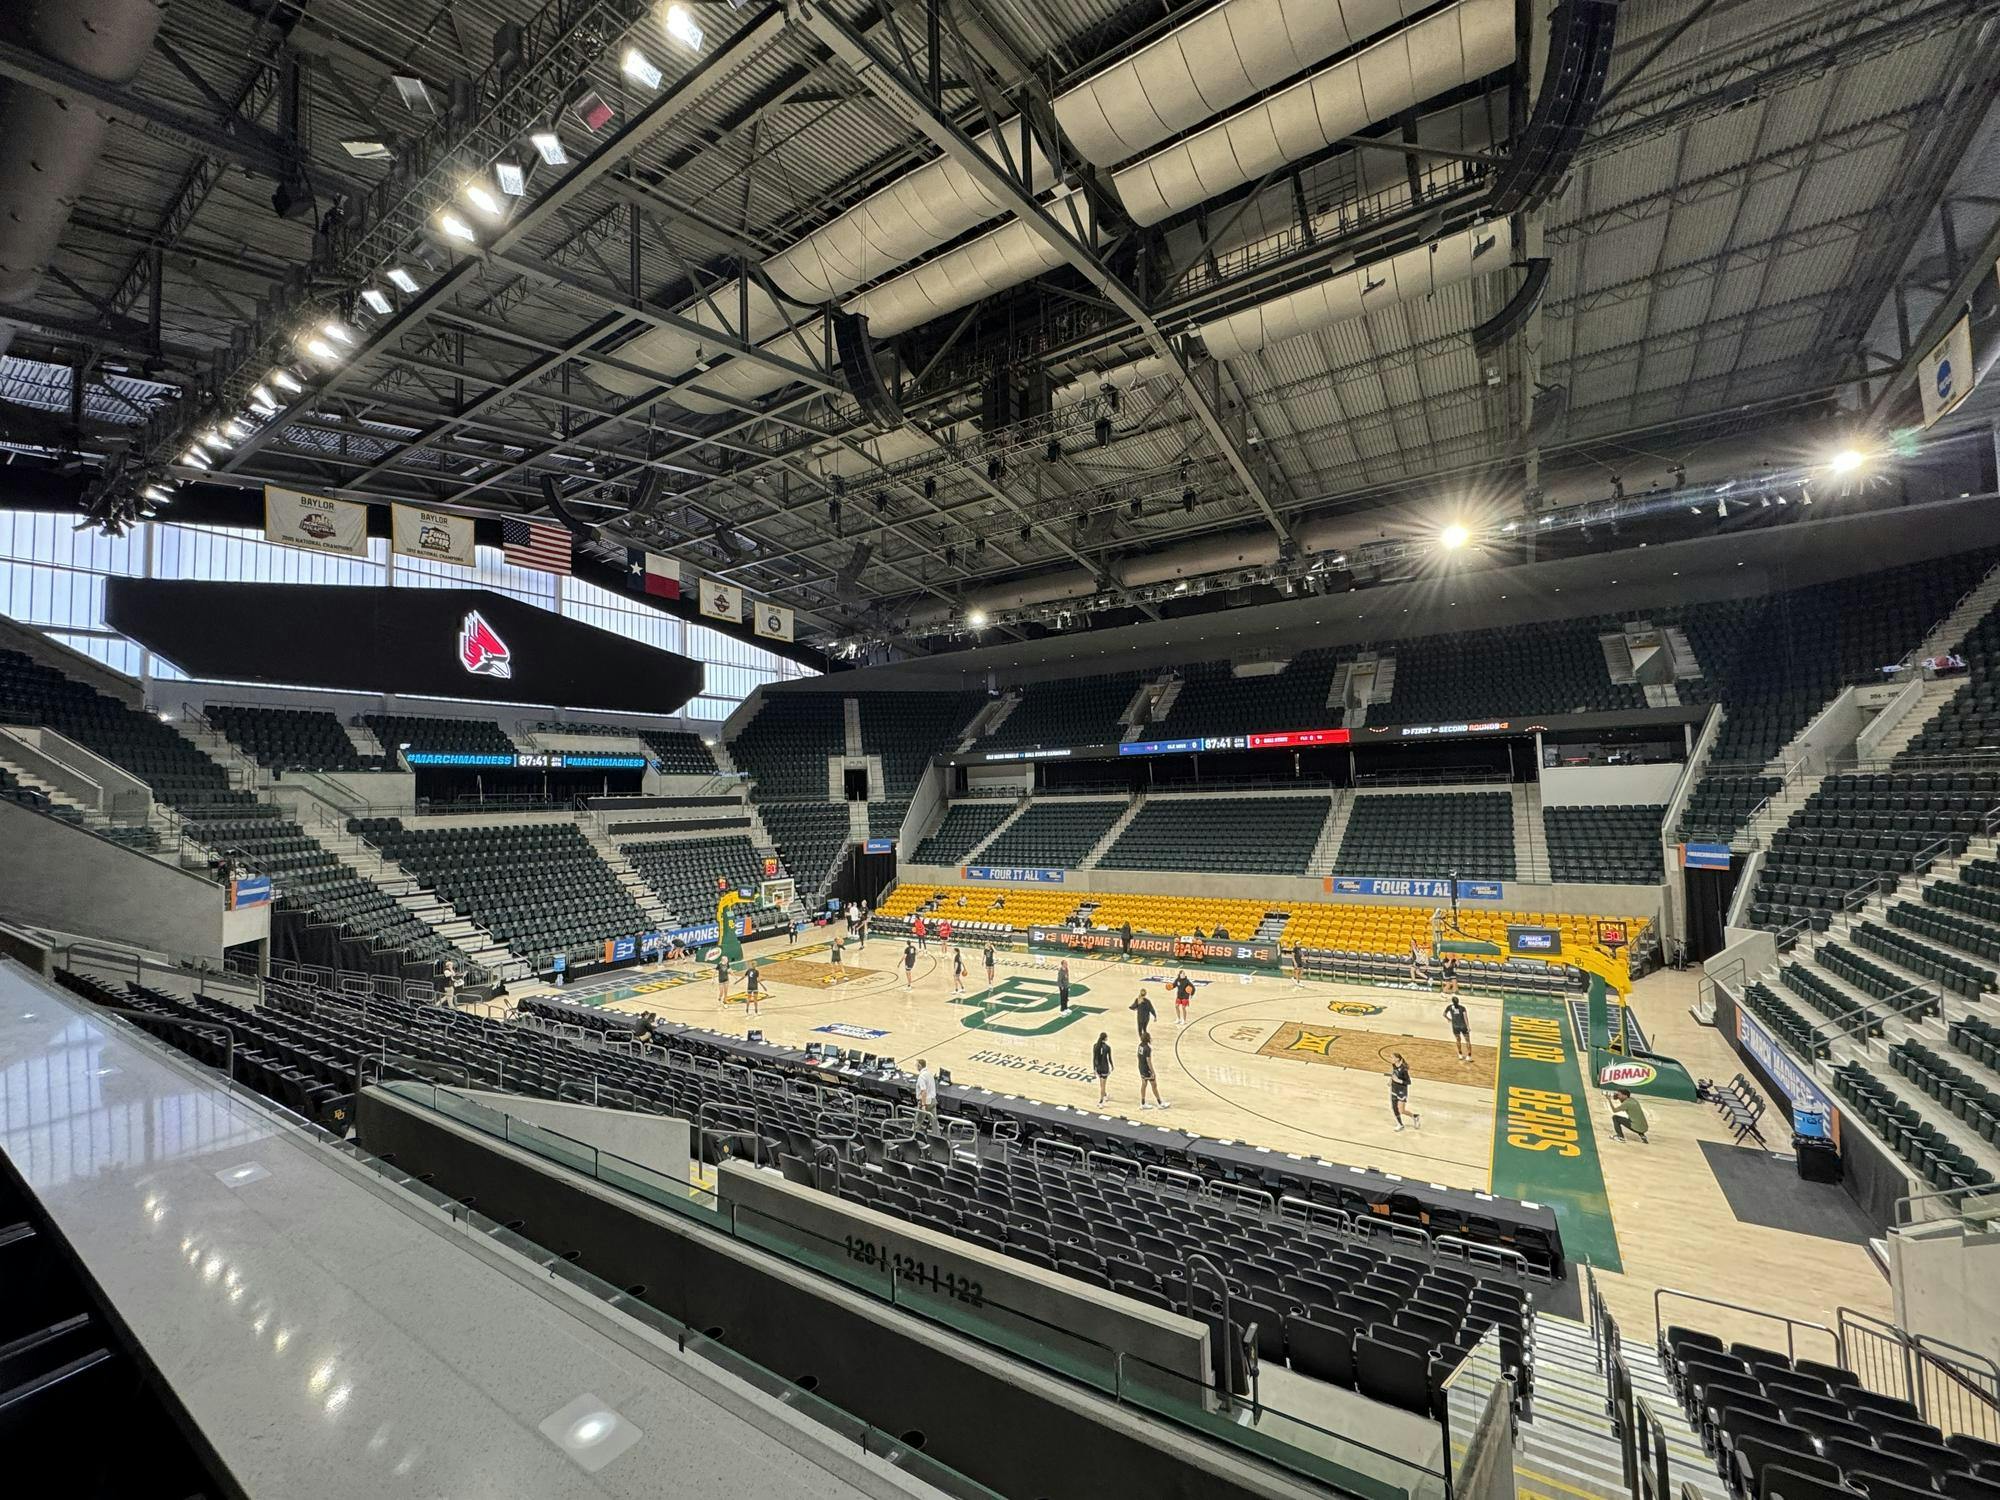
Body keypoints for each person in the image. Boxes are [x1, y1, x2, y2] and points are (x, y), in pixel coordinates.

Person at [1388, 1053, 1421, 1131]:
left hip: (1401, 1091)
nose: (1391, 1059)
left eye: (1392, 1058)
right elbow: (1394, 1073)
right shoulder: (1394, 1065)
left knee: (1401, 1110)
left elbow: (1408, 1082)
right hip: (1394, 1089)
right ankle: (1400, 1124)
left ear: (1397, 1059)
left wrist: (1398, 1080)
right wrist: (1390, 1080)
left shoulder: (1404, 1069)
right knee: (1394, 1108)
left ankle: (1415, 1116)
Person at [1137, 1033, 1166, 1110]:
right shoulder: (1147, 1048)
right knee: (1154, 1085)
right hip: (1147, 1069)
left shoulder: (1140, 1045)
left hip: (1141, 1067)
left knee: (1144, 1084)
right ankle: (1160, 1103)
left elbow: (1138, 1056)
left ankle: (1143, 1103)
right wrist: (1152, 1072)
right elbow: (1148, 1061)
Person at [1444, 994, 1473, 1062]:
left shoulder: (1449, 1007)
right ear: (1458, 1001)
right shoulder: (1462, 1008)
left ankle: (1460, 1054)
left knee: (1458, 1040)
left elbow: (1444, 1014)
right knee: (1467, 1041)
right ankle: (1469, 1055)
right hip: (1463, 1026)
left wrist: (1449, 1019)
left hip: (1455, 1026)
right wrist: (1468, 1026)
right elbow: (1465, 1017)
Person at [914, 1058, 938, 1134]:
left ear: (920, 1066)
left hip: (925, 1102)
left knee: (917, 1122)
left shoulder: (922, 1076)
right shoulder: (930, 1073)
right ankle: (938, 1139)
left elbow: (923, 1092)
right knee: (934, 1123)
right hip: (933, 1100)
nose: (915, 1066)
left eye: (916, 1065)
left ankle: (912, 1138)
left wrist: (923, 1105)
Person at [1092, 1031, 1113, 1105]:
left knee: (1101, 1084)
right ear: (1105, 1038)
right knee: (1103, 1085)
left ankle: (1105, 1095)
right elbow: (1109, 1058)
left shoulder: (1095, 1046)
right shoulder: (1107, 1047)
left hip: (1098, 1067)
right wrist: (1112, 1066)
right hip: (1104, 1068)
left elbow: (1094, 1058)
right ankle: (1101, 1101)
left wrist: (1094, 1068)